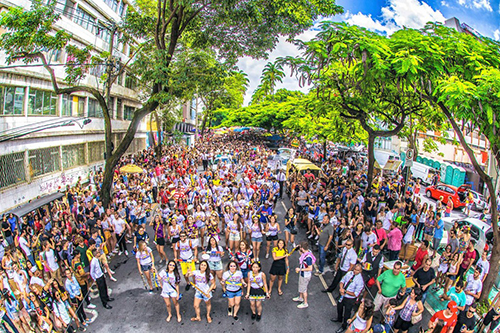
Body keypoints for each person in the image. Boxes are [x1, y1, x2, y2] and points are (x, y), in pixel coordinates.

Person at [333, 263, 364, 332]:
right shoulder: (349, 273)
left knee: (347, 312)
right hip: (343, 295)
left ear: (360, 271)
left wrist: (345, 291)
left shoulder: (360, 281)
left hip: (350, 299)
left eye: (357, 270)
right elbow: (342, 281)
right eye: (355, 269)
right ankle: (339, 318)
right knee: (339, 306)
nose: (355, 271)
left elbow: (356, 294)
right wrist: (341, 288)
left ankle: (344, 326)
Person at [293, 241, 314, 309]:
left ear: (302, 248)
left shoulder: (308, 258)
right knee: (301, 286)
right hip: (303, 274)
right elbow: (301, 253)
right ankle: (300, 297)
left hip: (305, 275)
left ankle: (305, 303)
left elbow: (310, 268)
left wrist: (300, 269)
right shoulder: (307, 252)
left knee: (304, 289)